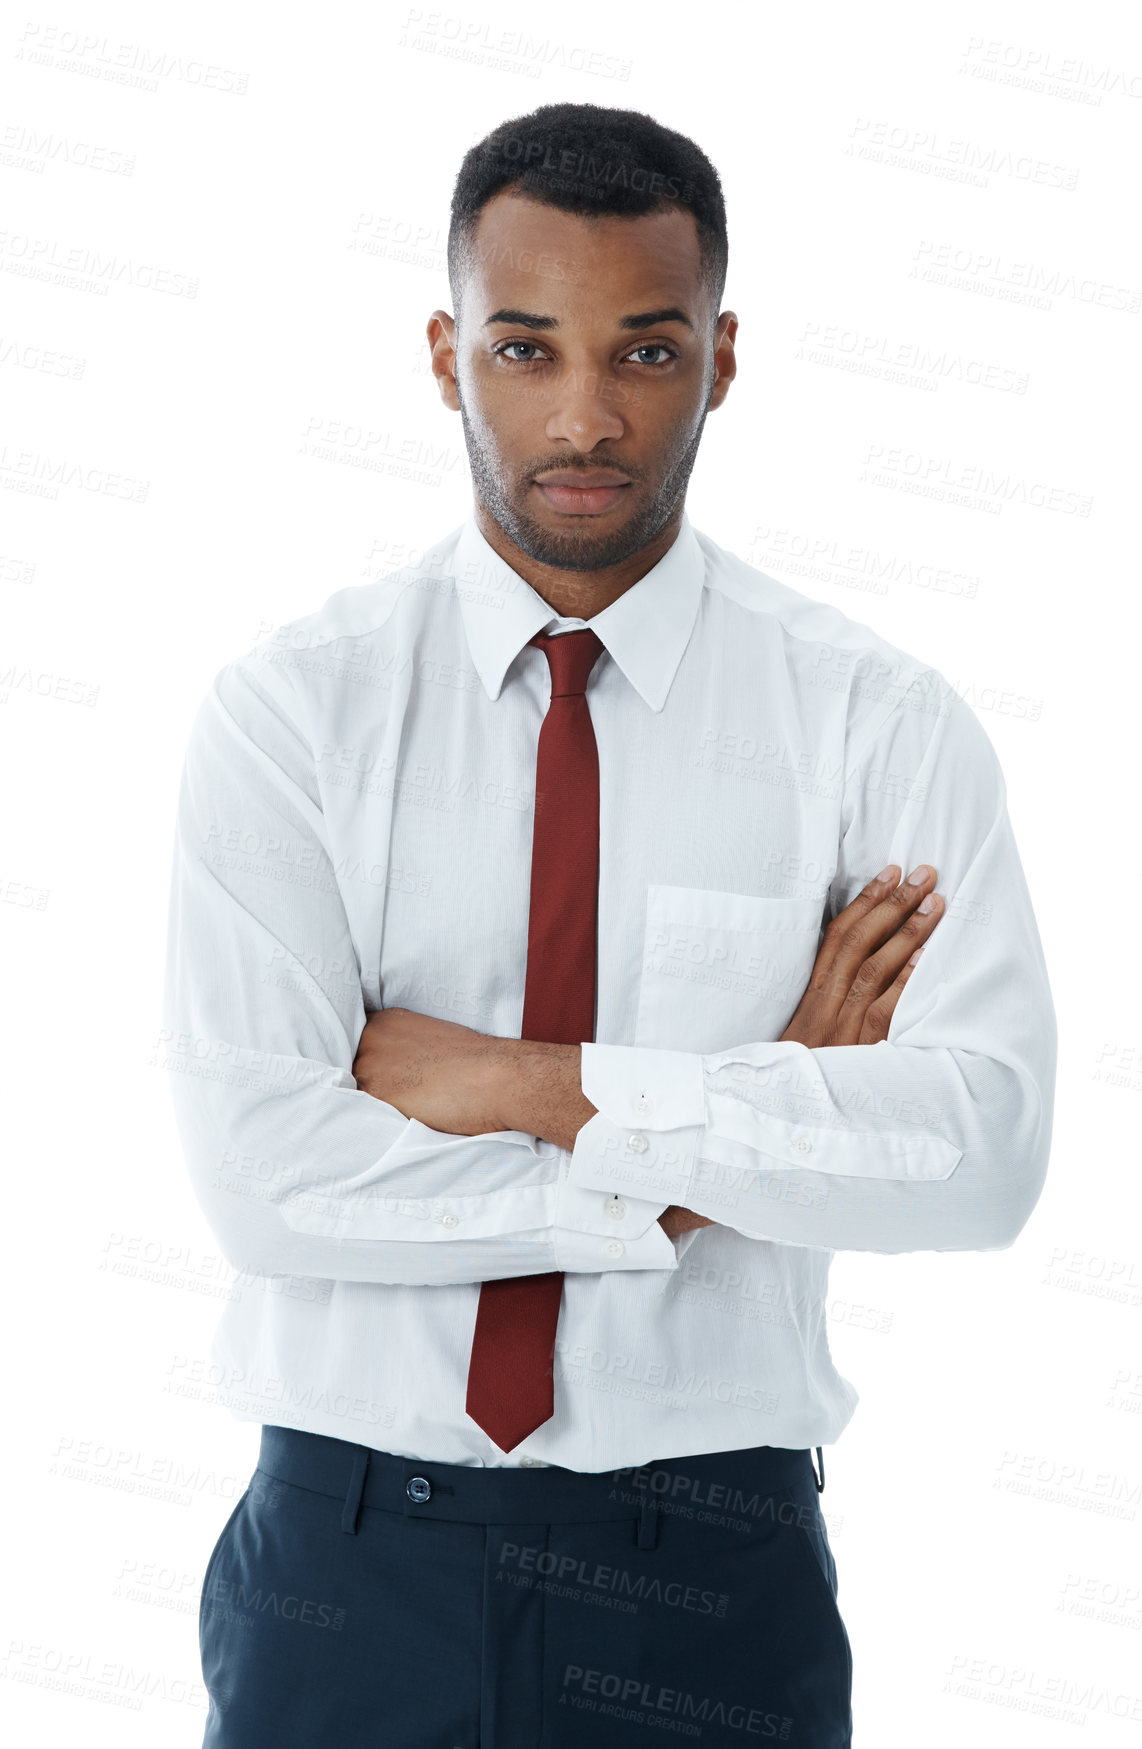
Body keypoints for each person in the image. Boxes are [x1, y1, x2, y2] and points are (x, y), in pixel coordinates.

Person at [163, 102, 1056, 1748]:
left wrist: (529, 1081)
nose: (582, 416)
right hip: (349, 1567)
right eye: (525, 348)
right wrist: (733, 1128)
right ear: (446, 355)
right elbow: (269, 1177)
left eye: (644, 353)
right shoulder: (293, 715)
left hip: (711, 1564)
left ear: (720, 359)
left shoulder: (873, 722)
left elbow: (977, 1152)